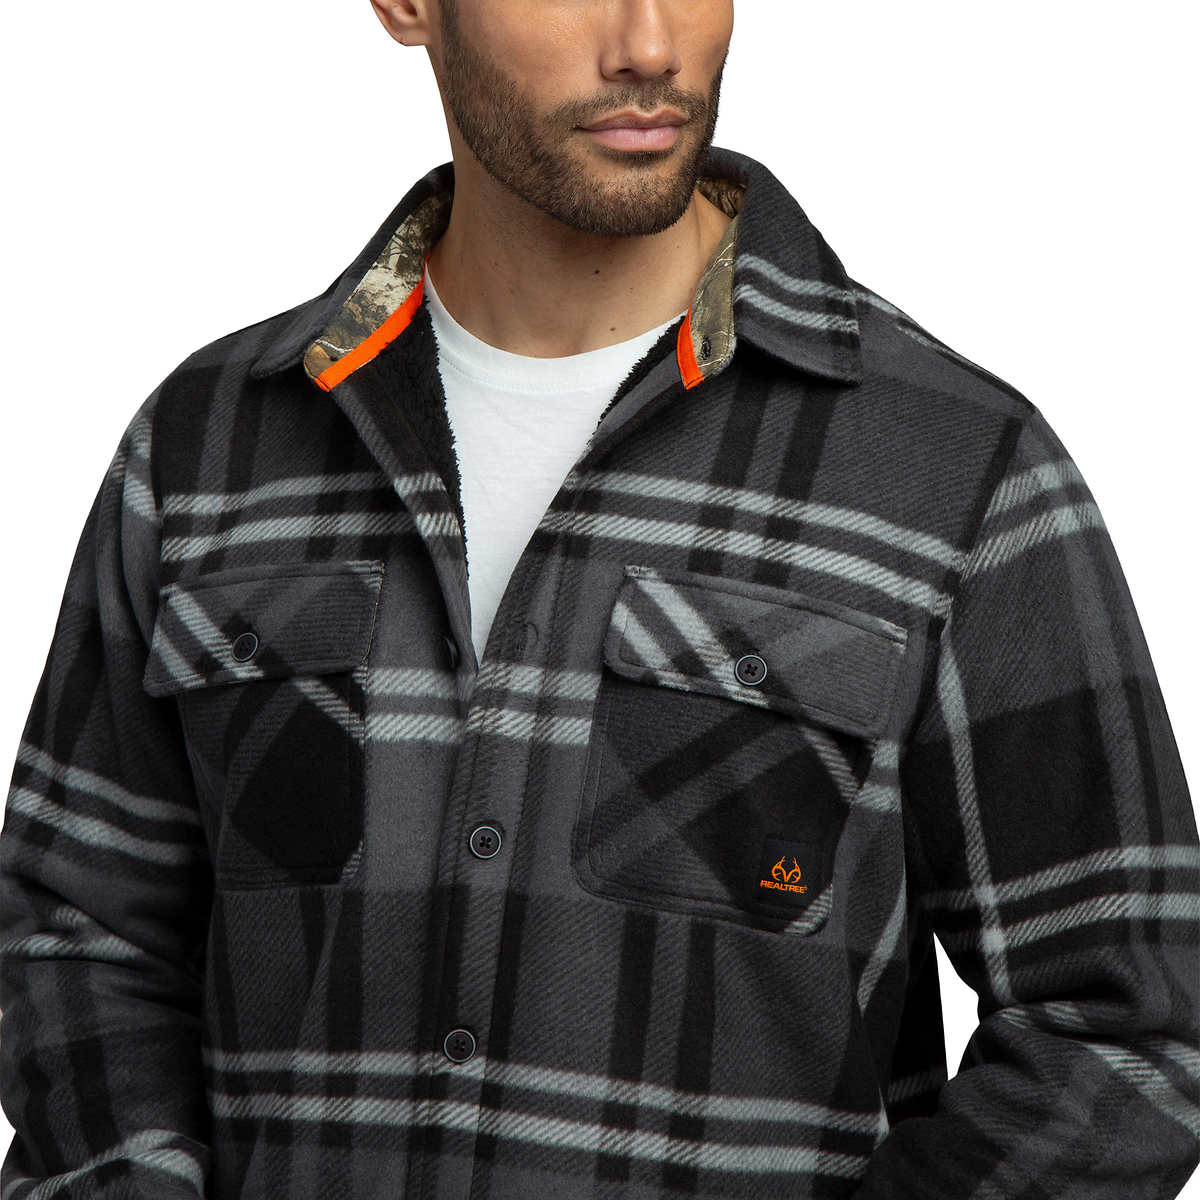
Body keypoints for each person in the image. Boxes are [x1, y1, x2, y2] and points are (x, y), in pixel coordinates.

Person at [1, 0, 1197, 1196]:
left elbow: (1131, 1029)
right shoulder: (208, 447)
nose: (651, 47)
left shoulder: (952, 465)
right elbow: (76, 937)